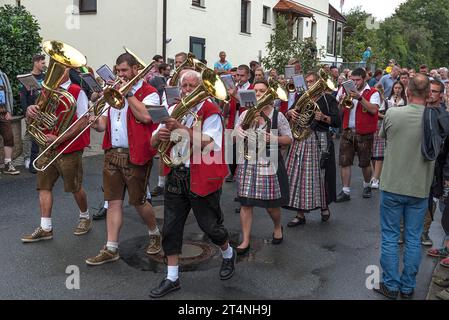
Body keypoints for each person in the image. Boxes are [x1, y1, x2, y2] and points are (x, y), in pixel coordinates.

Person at [149, 70, 234, 298]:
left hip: (202, 174)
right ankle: (172, 277)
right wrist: (161, 137)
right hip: (177, 173)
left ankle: (228, 253)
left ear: (200, 88)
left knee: (210, 227)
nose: (186, 90)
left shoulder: (210, 110)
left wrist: (180, 129)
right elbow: (153, 140)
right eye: (183, 86)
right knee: (171, 227)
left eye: (191, 86)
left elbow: (210, 144)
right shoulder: (173, 108)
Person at [86, 52, 161, 265]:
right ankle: (111, 248)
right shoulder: (113, 92)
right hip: (112, 153)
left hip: (135, 154)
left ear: (136, 69)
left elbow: (146, 117)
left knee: (138, 201)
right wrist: (93, 120)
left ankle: (154, 232)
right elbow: (103, 124)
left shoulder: (150, 92)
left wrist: (127, 94)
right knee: (113, 202)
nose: (121, 75)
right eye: (118, 71)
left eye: (125, 71)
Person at [374, 74, 435, 299]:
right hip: (419, 187)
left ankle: (390, 285)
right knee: (413, 237)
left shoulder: (393, 113)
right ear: (429, 94)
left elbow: (384, 136)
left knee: (390, 236)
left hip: (392, 184)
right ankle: (408, 287)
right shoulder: (434, 118)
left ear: (407, 92)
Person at [21, 67, 91, 242]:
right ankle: (46, 227)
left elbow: (83, 122)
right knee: (43, 185)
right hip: (48, 145)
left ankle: (85, 217)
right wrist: (30, 110)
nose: (54, 70)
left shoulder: (77, 91)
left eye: (59, 66)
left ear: (67, 70)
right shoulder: (46, 90)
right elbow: (35, 118)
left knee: (74, 186)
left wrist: (59, 138)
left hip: (69, 147)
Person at [234, 79, 292, 253]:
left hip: (269, 160)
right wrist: (236, 132)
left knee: (271, 204)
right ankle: (245, 240)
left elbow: (289, 139)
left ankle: (277, 227)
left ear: (269, 93)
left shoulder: (277, 115)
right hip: (248, 160)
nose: (258, 93)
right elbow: (233, 138)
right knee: (245, 203)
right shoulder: (246, 114)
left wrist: (274, 139)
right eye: (256, 91)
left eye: (261, 91)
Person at [285, 72, 340, 227]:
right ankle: (300, 214)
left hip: (319, 139)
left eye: (312, 81)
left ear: (318, 83)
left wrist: (323, 117)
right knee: (299, 177)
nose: (309, 84)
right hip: (300, 139)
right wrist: (291, 113)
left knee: (320, 176)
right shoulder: (301, 97)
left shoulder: (328, 99)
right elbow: (288, 113)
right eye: (307, 82)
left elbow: (336, 122)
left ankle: (324, 206)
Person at [335, 68, 380, 202]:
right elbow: (339, 112)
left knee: (365, 163)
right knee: (344, 162)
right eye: (352, 80)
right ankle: (345, 191)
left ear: (364, 78)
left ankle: (367, 185)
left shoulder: (373, 92)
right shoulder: (344, 89)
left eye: (357, 80)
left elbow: (374, 110)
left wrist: (359, 98)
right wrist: (342, 102)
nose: (355, 83)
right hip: (348, 130)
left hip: (365, 133)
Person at [226, 65, 254, 184]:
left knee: (241, 151)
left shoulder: (252, 88)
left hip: (246, 124)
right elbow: (227, 110)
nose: (239, 78)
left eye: (242, 75)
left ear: (248, 76)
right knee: (231, 153)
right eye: (237, 75)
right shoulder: (234, 88)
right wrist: (226, 100)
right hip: (233, 121)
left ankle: (240, 176)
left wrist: (234, 96)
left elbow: (249, 105)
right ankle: (234, 173)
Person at [20, 54, 46, 174]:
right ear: (35, 63)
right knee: (29, 135)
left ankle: (39, 160)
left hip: (43, 111)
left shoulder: (46, 77)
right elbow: (23, 96)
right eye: (42, 62)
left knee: (40, 135)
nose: (44, 65)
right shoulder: (27, 78)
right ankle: (27, 158)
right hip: (31, 111)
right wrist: (26, 111)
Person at [0, 69, 20, 175]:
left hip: (3, 111)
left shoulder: (2, 75)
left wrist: (9, 110)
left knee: (9, 137)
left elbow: (8, 93)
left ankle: (8, 164)